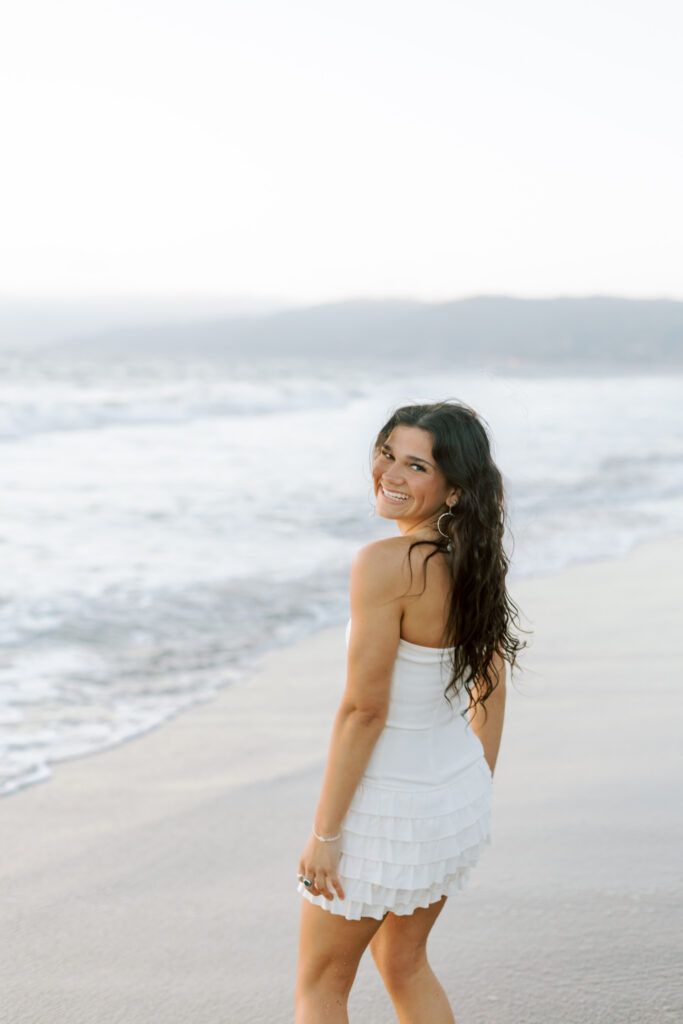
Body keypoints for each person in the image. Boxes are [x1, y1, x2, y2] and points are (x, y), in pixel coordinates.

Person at [294, 400, 526, 1023]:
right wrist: (472, 786)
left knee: (321, 988)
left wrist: (325, 835)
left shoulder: (384, 564)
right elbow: (491, 687)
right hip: (451, 798)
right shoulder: (473, 560)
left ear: (452, 487)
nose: (390, 474)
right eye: (386, 453)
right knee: (405, 964)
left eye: (415, 465)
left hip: (385, 810)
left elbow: (363, 712)